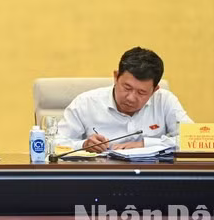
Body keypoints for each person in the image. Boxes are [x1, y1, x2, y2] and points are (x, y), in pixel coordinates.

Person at [55, 46, 192, 152]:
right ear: (116, 76)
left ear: (155, 90)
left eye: (141, 92)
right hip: (100, 179)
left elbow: (194, 140)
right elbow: (53, 143)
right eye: (127, 87)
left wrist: (145, 144)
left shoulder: (164, 101)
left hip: (152, 180)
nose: (131, 98)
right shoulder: (86, 103)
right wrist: (83, 145)